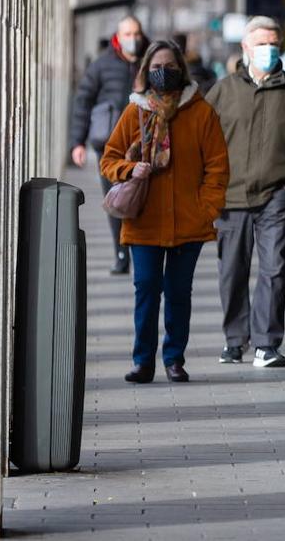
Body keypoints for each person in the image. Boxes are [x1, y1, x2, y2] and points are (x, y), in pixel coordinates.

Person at [100, 40, 229, 384]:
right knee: (145, 289)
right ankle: (143, 361)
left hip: (190, 221)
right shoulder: (135, 112)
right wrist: (130, 170)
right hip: (145, 221)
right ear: (146, 71)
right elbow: (109, 159)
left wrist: (207, 208)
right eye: (158, 66)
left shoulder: (201, 112)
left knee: (177, 293)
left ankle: (174, 358)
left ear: (181, 70)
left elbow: (217, 166)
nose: (164, 72)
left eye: (171, 66)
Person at [206, 16, 285, 367]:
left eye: (273, 43)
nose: (268, 50)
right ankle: (234, 339)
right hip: (231, 197)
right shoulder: (223, 91)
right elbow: (202, 142)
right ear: (245, 48)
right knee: (232, 270)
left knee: (274, 268)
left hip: (276, 195)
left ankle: (266, 344)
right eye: (261, 44)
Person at [70, 15, 148, 274]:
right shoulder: (102, 65)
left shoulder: (150, 60)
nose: (133, 39)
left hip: (145, 147)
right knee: (116, 200)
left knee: (144, 200)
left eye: (136, 34)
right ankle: (121, 252)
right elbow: (83, 101)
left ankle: (143, 252)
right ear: (118, 36)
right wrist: (77, 142)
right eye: (128, 34)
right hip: (110, 148)